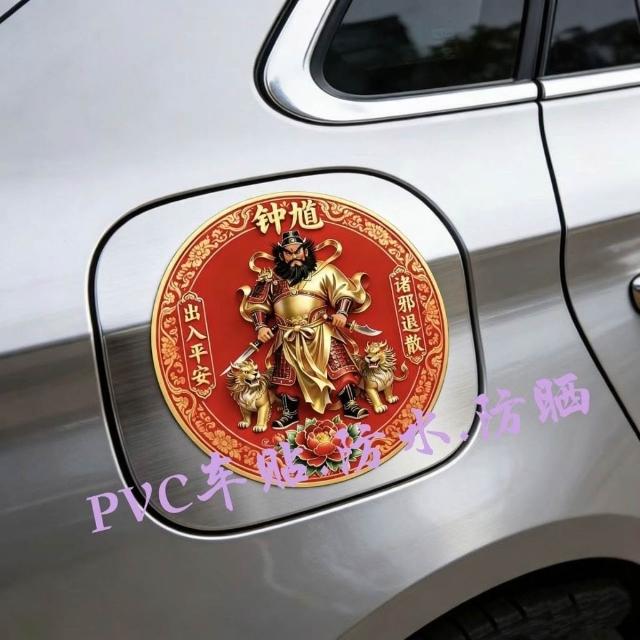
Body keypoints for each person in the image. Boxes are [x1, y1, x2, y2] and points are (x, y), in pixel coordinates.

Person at [241, 230, 370, 428]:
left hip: (321, 330)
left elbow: (344, 291)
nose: (294, 257)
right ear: (282, 255)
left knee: (338, 366)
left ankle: (350, 403)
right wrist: (260, 326)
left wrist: (342, 313)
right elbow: (258, 303)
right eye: (289, 253)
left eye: (297, 251)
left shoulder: (324, 270)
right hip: (287, 336)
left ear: (306, 252)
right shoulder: (272, 278)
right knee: (286, 375)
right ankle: (290, 413)